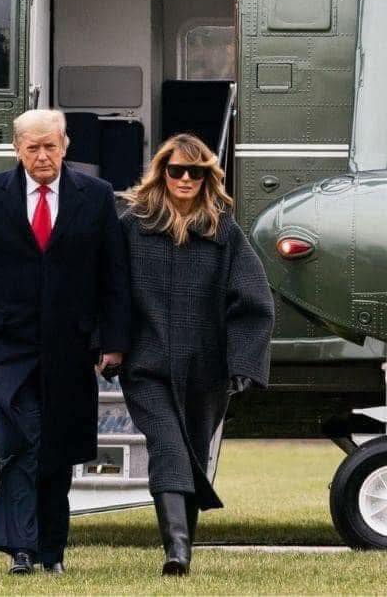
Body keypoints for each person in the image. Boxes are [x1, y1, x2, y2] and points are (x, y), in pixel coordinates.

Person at [0, 109, 130, 575]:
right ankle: (21, 549)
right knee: (20, 441)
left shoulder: (96, 195)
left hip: (70, 347)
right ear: (17, 150)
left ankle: (51, 551)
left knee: (57, 449)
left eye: (50, 146)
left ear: (65, 145)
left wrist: (113, 341)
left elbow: (113, 276)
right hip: (6, 346)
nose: (43, 156)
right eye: (33, 147)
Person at [120, 133, 274, 576]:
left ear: (208, 177)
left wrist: (243, 362)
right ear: (162, 174)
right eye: (177, 170)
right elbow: (108, 290)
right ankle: (177, 549)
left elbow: (254, 301)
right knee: (168, 445)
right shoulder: (132, 226)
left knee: (192, 451)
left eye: (196, 171)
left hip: (206, 370)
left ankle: (182, 548)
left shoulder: (224, 233)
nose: (185, 178)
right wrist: (106, 344)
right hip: (146, 365)